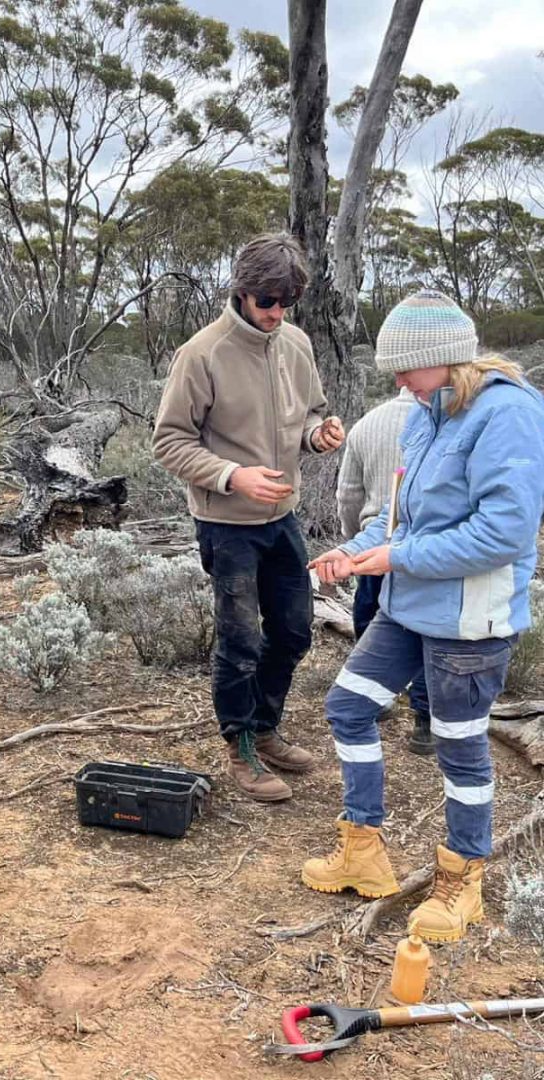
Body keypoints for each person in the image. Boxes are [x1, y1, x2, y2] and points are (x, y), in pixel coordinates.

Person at [303, 291, 544, 943]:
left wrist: (396, 555)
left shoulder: (508, 414)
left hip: (469, 621)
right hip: (407, 607)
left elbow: (505, 530)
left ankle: (463, 879)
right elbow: (398, 514)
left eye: (406, 368)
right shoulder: (424, 412)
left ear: (443, 358)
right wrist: (353, 553)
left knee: (459, 746)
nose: (399, 383)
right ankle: (363, 852)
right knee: (350, 707)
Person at [153, 233, 344, 802]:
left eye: (287, 303)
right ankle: (239, 744)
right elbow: (169, 440)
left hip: (283, 516)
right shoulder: (202, 353)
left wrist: (318, 435)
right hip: (226, 523)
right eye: (268, 302)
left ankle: (266, 728)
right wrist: (233, 476)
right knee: (239, 640)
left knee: (292, 631)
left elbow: (310, 413)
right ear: (241, 292)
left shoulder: (296, 343)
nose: (277, 314)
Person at [337, 388, 434, 755]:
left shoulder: (367, 424)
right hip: (425, 549)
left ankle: (375, 697)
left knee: (370, 618)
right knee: (426, 628)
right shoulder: (453, 422)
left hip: (376, 543)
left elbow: (348, 495)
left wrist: (354, 542)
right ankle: (425, 722)